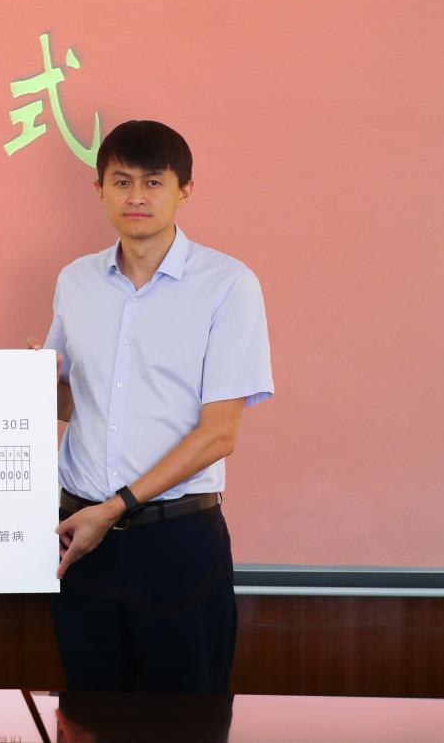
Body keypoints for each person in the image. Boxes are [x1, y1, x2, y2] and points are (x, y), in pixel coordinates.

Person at [37, 120, 273, 693]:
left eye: (153, 182)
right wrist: (32, 383)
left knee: (185, 718)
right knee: (88, 712)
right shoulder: (76, 281)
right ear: (99, 190)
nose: (136, 197)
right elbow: (69, 401)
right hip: (80, 538)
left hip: (176, 542)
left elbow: (219, 434)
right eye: (121, 182)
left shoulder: (227, 285)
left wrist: (115, 508)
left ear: (184, 190)